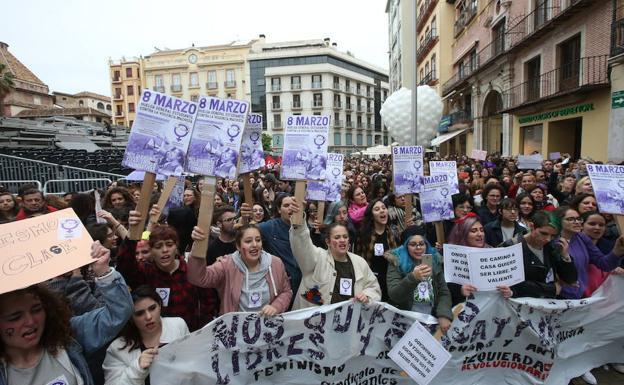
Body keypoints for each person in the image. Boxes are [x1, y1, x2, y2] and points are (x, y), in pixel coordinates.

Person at [0, 242, 133, 385]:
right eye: (15, 317)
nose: (30, 321)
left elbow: (118, 313)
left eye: (37, 310)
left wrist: (103, 271)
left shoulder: (67, 335)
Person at [118, 215, 218, 331]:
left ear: (176, 247)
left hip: (191, 335)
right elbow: (125, 267)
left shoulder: (191, 271)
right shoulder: (146, 272)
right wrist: (132, 236)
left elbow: (209, 301)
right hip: (160, 338)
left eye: (169, 245)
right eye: (158, 246)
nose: (165, 250)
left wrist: (202, 329)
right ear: (151, 251)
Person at [289, 200, 381, 309]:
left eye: (345, 237)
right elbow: (302, 242)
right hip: (316, 322)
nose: (342, 240)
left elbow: (373, 287)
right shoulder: (317, 257)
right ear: (328, 242)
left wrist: (366, 296)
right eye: (337, 237)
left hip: (347, 322)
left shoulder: (360, 262)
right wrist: (298, 219)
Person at [187, 224, 292, 315]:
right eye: (248, 241)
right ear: (238, 245)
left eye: (258, 240)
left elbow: (286, 292)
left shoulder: (275, 263)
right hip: (236, 332)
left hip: (267, 330)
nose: (255, 245)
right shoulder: (226, 265)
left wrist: (276, 307)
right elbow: (198, 278)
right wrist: (198, 246)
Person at [103, 286, 189, 385]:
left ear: (160, 305)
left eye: (152, 308)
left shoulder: (178, 325)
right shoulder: (117, 348)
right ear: (130, 318)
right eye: (139, 313)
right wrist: (137, 368)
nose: (148, 317)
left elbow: (193, 365)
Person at [385, 234, 453, 334]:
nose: (418, 248)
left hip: (431, 318)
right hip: (405, 319)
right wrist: (413, 278)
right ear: (406, 246)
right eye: (413, 244)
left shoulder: (434, 259)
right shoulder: (396, 261)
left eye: (421, 244)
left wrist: (444, 314)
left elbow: (443, 291)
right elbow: (394, 294)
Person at [501, 211, 578, 298]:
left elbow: (571, 279)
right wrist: (550, 289)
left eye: (553, 236)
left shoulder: (552, 247)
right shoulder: (511, 247)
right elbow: (514, 283)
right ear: (531, 226)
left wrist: (565, 257)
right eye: (543, 233)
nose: (548, 239)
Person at [445, 214, 512, 305]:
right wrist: (460, 291)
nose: (480, 234)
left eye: (481, 230)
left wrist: (509, 292)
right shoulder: (451, 256)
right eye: (473, 231)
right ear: (463, 234)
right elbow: (444, 290)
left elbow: (508, 282)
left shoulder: (492, 252)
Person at [253, 195, 302, 297]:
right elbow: (246, 234)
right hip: (281, 286)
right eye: (286, 205)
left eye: (293, 205)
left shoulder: (305, 229)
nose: (291, 208)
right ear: (279, 210)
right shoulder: (269, 227)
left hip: (302, 285)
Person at [357, 199, 397, 301]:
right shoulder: (363, 235)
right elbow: (359, 261)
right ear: (371, 215)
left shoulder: (393, 233)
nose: (382, 211)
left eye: (384, 208)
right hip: (370, 283)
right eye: (377, 209)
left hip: (390, 281)